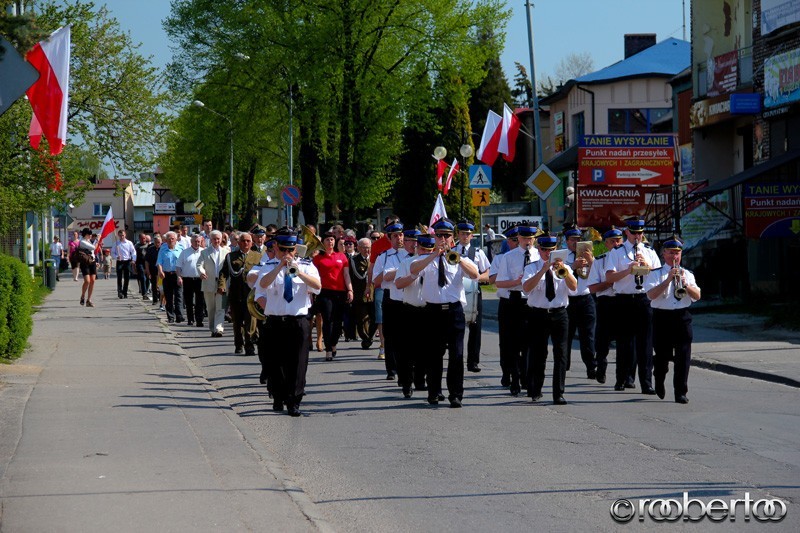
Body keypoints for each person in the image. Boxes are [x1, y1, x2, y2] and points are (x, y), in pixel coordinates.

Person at [410, 218, 479, 408]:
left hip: (454, 311)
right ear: (434, 236)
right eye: (439, 235)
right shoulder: (425, 259)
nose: (442, 239)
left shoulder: (458, 258)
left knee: (456, 355)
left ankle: (456, 395)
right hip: (432, 311)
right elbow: (413, 270)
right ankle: (434, 392)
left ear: (452, 238)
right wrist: (434, 255)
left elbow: (475, 274)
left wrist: (454, 256)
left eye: (446, 236)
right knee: (433, 354)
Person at [255, 228, 321, 416]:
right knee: (275, 363)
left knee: (298, 363)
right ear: (276, 248)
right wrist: (278, 268)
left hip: (298, 321)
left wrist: (298, 272)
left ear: (295, 249)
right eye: (283, 250)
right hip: (275, 322)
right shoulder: (268, 266)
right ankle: (278, 396)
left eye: (290, 250)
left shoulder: (306, 265)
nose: (286, 254)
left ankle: (294, 401)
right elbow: (262, 285)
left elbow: (317, 286)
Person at [605, 217, 661, 394]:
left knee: (646, 344)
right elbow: (609, 278)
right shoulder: (617, 252)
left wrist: (647, 266)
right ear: (627, 232)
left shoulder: (650, 251)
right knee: (624, 342)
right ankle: (621, 379)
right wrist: (628, 270)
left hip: (643, 299)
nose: (637, 236)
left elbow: (659, 276)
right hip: (623, 299)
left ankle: (646, 382)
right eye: (634, 232)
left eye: (640, 233)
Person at [521, 233, 577, 405]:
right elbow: (526, 288)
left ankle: (558, 393)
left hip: (560, 313)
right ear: (539, 250)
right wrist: (543, 270)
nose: (547, 253)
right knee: (539, 353)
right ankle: (536, 389)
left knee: (561, 354)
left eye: (551, 250)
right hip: (538, 314)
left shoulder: (565, 267)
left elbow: (574, 287)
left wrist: (565, 272)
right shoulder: (532, 267)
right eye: (544, 250)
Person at [645, 237, 701, 404]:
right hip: (661, 317)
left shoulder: (688, 274)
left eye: (677, 253)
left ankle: (680, 392)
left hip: (682, 317)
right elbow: (651, 295)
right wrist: (668, 279)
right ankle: (659, 378)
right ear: (664, 254)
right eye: (671, 253)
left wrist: (686, 285)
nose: (674, 256)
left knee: (683, 356)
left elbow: (697, 296)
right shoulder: (656, 273)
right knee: (662, 356)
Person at [494, 225, 540, 396]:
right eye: (524, 238)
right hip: (514, 300)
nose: (528, 242)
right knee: (512, 343)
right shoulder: (509, 257)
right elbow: (499, 283)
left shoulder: (538, 255)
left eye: (530, 238)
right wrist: (517, 282)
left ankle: (527, 377)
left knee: (529, 343)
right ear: (518, 238)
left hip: (532, 300)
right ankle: (514, 378)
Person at [395, 231, 433, 397]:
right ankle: (406, 383)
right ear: (417, 248)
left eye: (429, 251)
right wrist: (413, 275)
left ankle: (420, 380)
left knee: (427, 350)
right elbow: (398, 284)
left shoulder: (436, 263)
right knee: (407, 351)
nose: (426, 254)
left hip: (429, 310)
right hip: (410, 309)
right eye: (423, 250)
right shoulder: (407, 263)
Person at [586, 227, 624, 384]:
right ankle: (601, 366)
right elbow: (593, 288)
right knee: (602, 339)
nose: (616, 244)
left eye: (618, 240)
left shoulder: (626, 259)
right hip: (606, 302)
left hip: (623, 301)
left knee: (625, 340)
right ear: (606, 244)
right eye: (612, 241)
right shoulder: (600, 260)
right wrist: (609, 282)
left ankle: (625, 376)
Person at [454, 219, 491, 373]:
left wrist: (476, 279)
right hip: (455, 292)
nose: (465, 237)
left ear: (471, 236)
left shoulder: (478, 252)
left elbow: (488, 273)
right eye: (462, 234)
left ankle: (473, 361)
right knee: (455, 328)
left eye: (468, 234)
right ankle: (455, 360)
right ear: (458, 234)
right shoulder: (451, 250)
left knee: (475, 328)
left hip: (474, 292)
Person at [372, 222, 408, 378]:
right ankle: (391, 369)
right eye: (395, 236)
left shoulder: (410, 254)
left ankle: (405, 366)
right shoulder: (383, 256)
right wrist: (388, 273)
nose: (399, 238)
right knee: (391, 334)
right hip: (390, 296)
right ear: (389, 238)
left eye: (401, 235)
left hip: (407, 296)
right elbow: (376, 280)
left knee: (406, 334)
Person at [563, 225, 598, 379]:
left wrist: (591, 262)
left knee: (588, 335)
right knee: (566, 335)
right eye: (573, 240)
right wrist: (572, 267)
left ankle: (591, 367)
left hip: (585, 298)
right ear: (566, 241)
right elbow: (558, 274)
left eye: (578, 240)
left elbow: (598, 274)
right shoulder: (562, 256)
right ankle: (564, 365)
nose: (576, 243)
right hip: (568, 300)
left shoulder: (587, 255)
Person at [312, 230, 353, 361]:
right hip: (325, 292)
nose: (330, 242)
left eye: (332, 240)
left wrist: (350, 290)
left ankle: (334, 343)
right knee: (327, 319)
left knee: (338, 321)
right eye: (327, 240)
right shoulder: (318, 258)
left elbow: (346, 275)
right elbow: (313, 276)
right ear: (323, 243)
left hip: (340, 292)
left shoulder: (341, 256)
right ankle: (328, 348)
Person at [219, 232, 262, 355]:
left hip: (250, 295)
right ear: (238, 243)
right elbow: (224, 273)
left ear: (252, 243)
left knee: (250, 321)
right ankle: (238, 344)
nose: (245, 243)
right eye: (243, 241)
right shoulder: (231, 256)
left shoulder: (257, 256)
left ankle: (250, 346)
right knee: (237, 322)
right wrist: (222, 285)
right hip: (235, 294)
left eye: (248, 241)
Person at [488, 224, 519, 387]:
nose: (517, 243)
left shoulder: (528, 256)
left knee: (524, 341)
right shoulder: (501, 258)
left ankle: (522, 373)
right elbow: (492, 279)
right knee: (506, 341)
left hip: (525, 302)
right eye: (514, 240)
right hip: (507, 303)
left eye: (518, 239)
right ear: (509, 241)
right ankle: (507, 372)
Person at [197, 230, 229, 337]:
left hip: (221, 283)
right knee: (211, 308)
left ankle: (218, 329)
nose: (216, 241)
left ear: (221, 240)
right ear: (210, 240)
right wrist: (202, 272)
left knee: (220, 307)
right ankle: (212, 328)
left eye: (218, 239)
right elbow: (199, 265)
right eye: (214, 239)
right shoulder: (204, 252)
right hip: (208, 281)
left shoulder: (226, 252)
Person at [350, 237, 376, 350]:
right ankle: (365, 338)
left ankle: (369, 337)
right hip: (360, 293)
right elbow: (360, 275)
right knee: (361, 318)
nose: (367, 250)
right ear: (359, 248)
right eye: (364, 248)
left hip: (373, 292)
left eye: (369, 247)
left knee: (375, 317)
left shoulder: (375, 258)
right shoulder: (354, 259)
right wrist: (371, 268)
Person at [156, 231, 185, 324]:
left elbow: (184, 262)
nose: (170, 240)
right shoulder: (163, 248)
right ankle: (170, 316)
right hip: (167, 275)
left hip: (178, 275)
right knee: (168, 297)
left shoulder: (181, 248)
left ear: (176, 239)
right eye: (169, 239)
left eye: (172, 238)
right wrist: (160, 271)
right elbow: (159, 262)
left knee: (179, 296)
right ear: (166, 240)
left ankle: (179, 316)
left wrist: (181, 275)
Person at [177, 234, 205, 328]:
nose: (197, 243)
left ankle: (199, 320)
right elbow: (178, 266)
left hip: (200, 279)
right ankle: (190, 319)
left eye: (198, 241)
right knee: (188, 301)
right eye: (195, 241)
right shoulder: (184, 252)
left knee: (200, 300)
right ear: (191, 242)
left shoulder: (204, 252)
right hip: (188, 279)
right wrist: (179, 277)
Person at [75, 228, 98, 307]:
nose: (90, 235)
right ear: (85, 235)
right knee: (87, 281)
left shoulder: (89, 241)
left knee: (93, 281)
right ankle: (83, 296)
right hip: (85, 263)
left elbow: (93, 252)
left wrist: (96, 261)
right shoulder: (82, 242)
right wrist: (98, 240)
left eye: (91, 234)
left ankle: (89, 300)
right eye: (89, 234)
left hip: (92, 262)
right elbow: (93, 248)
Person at [112, 229, 137, 299]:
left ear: (125, 235)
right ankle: (119, 292)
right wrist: (116, 257)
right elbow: (112, 253)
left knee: (127, 278)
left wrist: (133, 260)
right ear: (118, 236)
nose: (121, 237)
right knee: (119, 277)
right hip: (120, 261)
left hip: (127, 261)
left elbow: (133, 252)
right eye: (120, 235)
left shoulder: (129, 243)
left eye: (123, 235)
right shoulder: (116, 243)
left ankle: (124, 292)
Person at [144, 234, 162, 307]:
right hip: (153, 269)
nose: (157, 244)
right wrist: (147, 270)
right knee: (154, 285)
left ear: (161, 242)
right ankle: (155, 300)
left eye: (158, 242)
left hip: (161, 271)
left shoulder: (163, 249)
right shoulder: (150, 249)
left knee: (161, 286)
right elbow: (146, 261)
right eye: (156, 242)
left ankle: (161, 300)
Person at [134, 232, 150, 300]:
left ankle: (146, 290)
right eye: (142, 238)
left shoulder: (149, 246)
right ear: (139, 239)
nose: (143, 239)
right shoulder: (137, 246)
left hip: (147, 263)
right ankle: (144, 293)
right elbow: (134, 255)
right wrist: (134, 265)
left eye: (144, 238)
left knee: (148, 278)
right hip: (139, 263)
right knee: (143, 278)